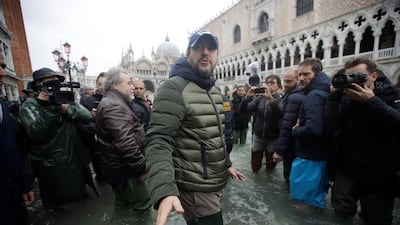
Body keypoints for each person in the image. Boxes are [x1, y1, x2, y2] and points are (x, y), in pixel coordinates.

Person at [145, 30, 244, 225]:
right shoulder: (173, 88)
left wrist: (227, 164)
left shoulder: (214, 91)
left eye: (211, 48)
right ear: (188, 54)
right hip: (196, 188)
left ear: (217, 55)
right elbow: (158, 141)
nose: (205, 52)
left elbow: (214, 136)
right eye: (198, 47)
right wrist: (165, 190)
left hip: (215, 182)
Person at [324, 58, 400, 225]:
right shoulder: (345, 98)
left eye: (358, 76)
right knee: (341, 210)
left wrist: (371, 101)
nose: (352, 81)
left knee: (376, 217)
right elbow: (329, 125)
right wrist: (334, 96)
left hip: (380, 174)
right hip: (347, 169)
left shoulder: (392, 95)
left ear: (373, 76)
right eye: (349, 76)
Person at [17, 67, 96, 210]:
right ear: (39, 85)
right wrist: (46, 107)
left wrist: (67, 110)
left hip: (75, 161)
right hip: (51, 168)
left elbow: (88, 116)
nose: (54, 87)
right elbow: (37, 132)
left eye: (56, 83)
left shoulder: (64, 100)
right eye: (50, 84)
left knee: (81, 203)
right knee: (59, 207)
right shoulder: (30, 105)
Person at [95, 67, 151, 213]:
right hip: (126, 171)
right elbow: (125, 143)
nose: (132, 87)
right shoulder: (114, 106)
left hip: (118, 169)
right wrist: (141, 168)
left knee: (123, 204)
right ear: (115, 85)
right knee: (142, 205)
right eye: (129, 83)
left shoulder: (113, 102)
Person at [289, 58, 331, 208]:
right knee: (314, 201)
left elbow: (314, 130)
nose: (301, 78)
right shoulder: (322, 92)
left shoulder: (314, 96)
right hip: (318, 157)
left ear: (317, 74)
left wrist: (296, 130)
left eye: (306, 74)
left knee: (302, 206)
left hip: (309, 159)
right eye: (300, 74)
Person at [0, 51, 34, 225]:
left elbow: (13, 149)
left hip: (15, 194)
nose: (2, 73)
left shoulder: (4, 107)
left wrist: (24, 185)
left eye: (3, 66)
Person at [273, 69, 305, 183]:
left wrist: (279, 151)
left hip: (291, 145)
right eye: (285, 81)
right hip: (295, 144)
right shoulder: (291, 95)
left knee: (289, 177)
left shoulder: (294, 97)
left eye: (289, 81)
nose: (286, 84)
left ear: (297, 81)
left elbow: (287, 125)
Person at [246, 75, 282, 172]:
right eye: (267, 82)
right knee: (255, 165)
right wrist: (247, 97)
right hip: (258, 137)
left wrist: (270, 99)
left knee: (270, 167)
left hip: (273, 138)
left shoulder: (280, 99)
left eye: (272, 82)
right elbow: (245, 110)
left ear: (278, 86)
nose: (269, 84)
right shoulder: (259, 99)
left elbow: (280, 114)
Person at [79, 72, 105, 181]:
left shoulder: (117, 100)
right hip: (96, 146)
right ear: (96, 84)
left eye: (106, 83)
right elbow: (81, 123)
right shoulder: (87, 101)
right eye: (100, 84)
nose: (103, 87)